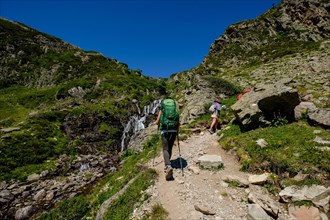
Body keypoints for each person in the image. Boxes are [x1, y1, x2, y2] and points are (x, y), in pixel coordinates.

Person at [154, 98, 180, 181]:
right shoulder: (175, 109)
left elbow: (157, 122)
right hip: (173, 130)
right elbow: (178, 122)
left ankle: (168, 165)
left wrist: (156, 123)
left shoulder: (162, 110)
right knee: (170, 147)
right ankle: (169, 163)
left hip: (165, 130)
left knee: (165, 148)